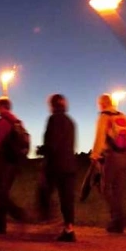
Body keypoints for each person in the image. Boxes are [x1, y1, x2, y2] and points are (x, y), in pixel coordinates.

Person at [0, 97, 29, 235]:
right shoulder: (17, 121)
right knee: (3, 192)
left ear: (2, 106)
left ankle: (18, 215)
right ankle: (0, 226)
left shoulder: (2, 121)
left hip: (4, 161)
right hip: (15, 162)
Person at [37, 94, 78, 242]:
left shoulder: (53, 119)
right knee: (67, 198)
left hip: (55, 165)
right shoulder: (70, 121)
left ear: (53, 105)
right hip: (70, 165)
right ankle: (69, 229)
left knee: (43, 191)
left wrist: (41, 151)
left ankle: (48, 217)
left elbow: (52, 144)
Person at [91, 93, 126, 233]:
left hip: (113, 157)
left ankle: (119, 217)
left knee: (105, 188)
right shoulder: (123, 116)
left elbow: (100, 137)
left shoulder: (104, 117)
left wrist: (95, 155)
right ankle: (118, 223)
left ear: (102, 104)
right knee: (119, 191)